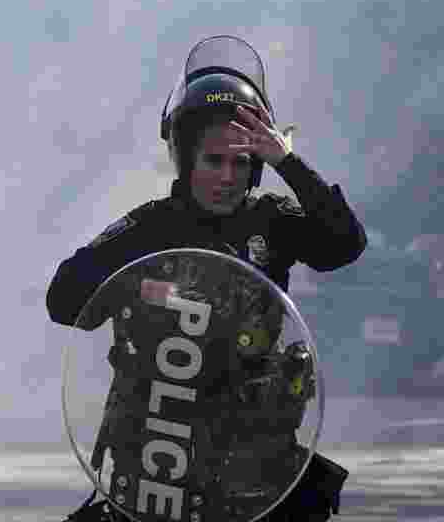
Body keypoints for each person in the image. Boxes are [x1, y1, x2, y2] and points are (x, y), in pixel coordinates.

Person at [47, 35, 367, 522]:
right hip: (161, 469)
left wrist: (287, 161)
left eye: (242, 163)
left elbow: (345, 244)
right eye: (213, 161)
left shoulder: (272, 220)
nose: (228, 176)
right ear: (186, 160)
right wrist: (140, 287)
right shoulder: (149, 229)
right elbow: (63, 300)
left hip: (256, 470)